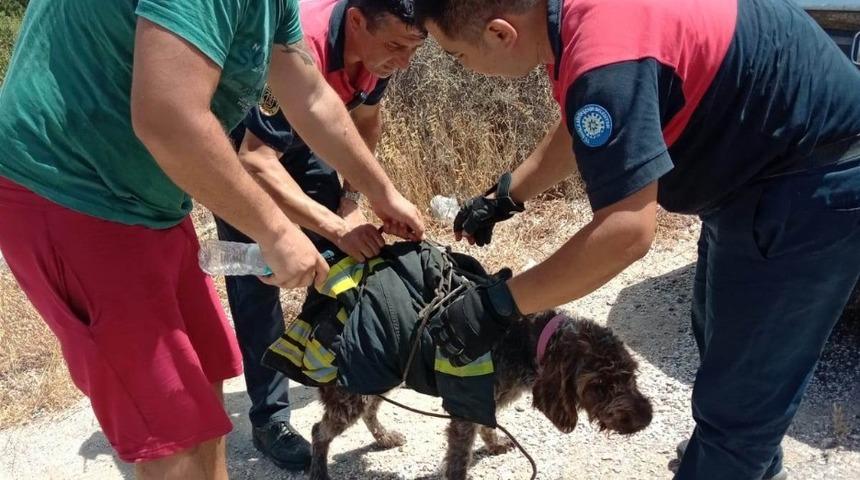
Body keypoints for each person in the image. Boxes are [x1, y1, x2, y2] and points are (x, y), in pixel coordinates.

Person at [412, 0, 860, 479]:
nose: (469, 69)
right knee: (719, 336)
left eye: (459, 56)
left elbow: (625, 234)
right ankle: (746, 460)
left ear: (501, 33)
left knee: (740, 404)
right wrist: (506, 197)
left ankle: (733, 458)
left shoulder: (606, 55)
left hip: (808, 181)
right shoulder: (574, 23)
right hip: (753, 179)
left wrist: (496, 305)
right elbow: (584, 124)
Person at [0, 0, 423, 478]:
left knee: (205, 387)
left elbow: (310, 95)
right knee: (173, 432)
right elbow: (169, 116)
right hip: (73, 193)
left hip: (154, 203)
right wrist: (278, 232)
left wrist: (381, 194)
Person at [214, 0, 425, 470]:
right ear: (356, 21)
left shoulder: (378, 54)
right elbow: (256, 161)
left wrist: (352, 201)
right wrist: (332, 226)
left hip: (304, 140)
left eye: (413, 48)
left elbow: (366, 123)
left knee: (343, 268)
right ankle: (270, 419)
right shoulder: (297, 47)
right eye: (395, 45)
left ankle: (332, 373)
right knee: (259, 284)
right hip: (238, 152)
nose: (403, 60)